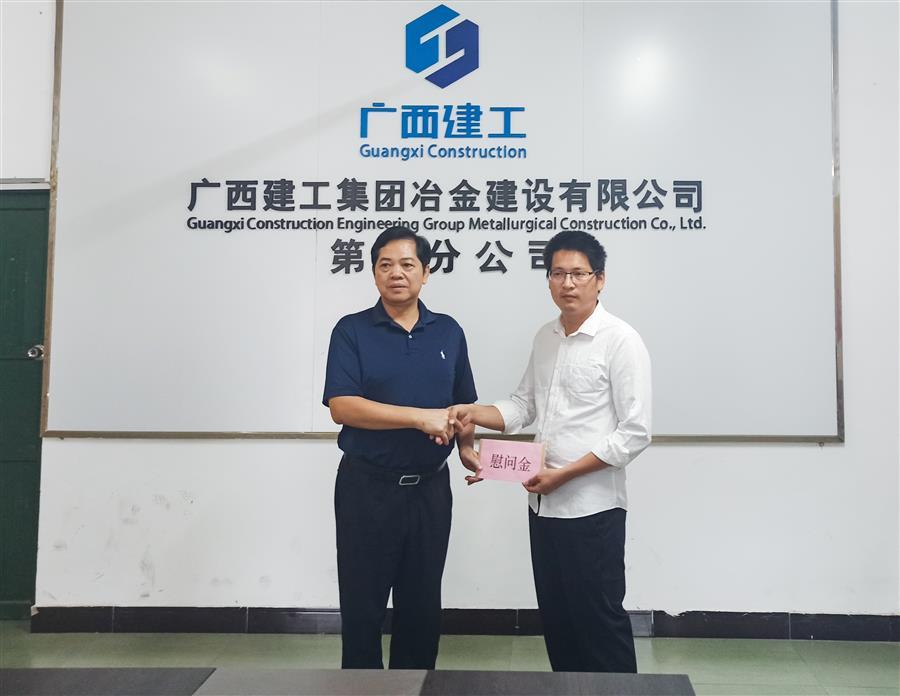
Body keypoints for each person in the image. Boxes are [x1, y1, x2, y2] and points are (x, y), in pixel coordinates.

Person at [452, 229, 651, 673]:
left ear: (600, 279)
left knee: (599, 623)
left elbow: (635, 432)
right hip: (542, 508)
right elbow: (524, 406)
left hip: (592, 510)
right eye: (558, 273)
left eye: (579, 273)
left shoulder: (620, 340)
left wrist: (565, 474)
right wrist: (472, 413)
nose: (568, 283)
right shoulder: (546, 337)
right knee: (559, 622)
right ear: (548, 280)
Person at [322, 225, 477, 670]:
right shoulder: (351, 331)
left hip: (430, 490)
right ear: (373, 273)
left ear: (426, 273)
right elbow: (342, 406)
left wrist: (467, 446)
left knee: (422, 607)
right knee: (363, 606)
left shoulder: (448, 332)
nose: (396, 273)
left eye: (407, 264)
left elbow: (463, 406)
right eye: (385, 265)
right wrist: (417, 417)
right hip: (367, 488)